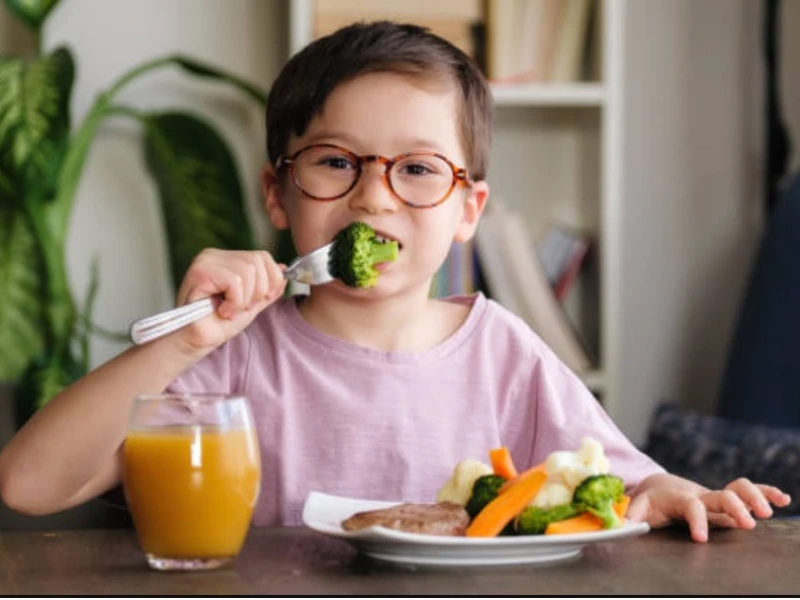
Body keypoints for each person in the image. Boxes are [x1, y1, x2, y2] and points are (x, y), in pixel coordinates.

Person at [0, 21, 789, 542]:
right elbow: (29, 484)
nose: (374, 195)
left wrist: (669, 494)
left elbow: (627, 486)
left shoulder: (506, 355)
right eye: (336, 162)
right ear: (277, 194)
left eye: (417, 169)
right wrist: (184, 344)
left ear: (468, 208)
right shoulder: (231, 355)